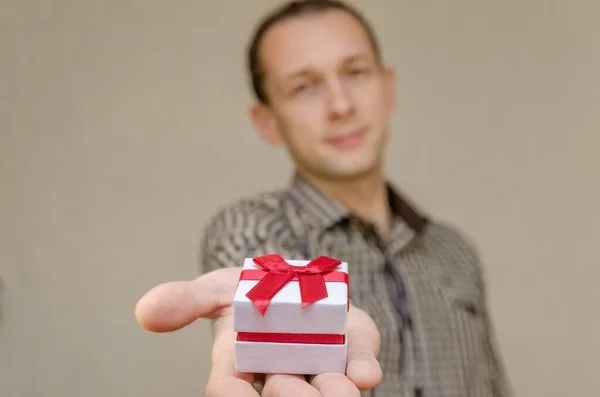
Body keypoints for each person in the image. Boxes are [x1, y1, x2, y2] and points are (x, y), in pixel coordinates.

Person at [135, 1, 513, 396]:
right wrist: (277, 327)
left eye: (355, 72)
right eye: (304, 86)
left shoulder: (454, 252)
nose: (341, 105)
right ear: (268, 121)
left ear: (387, 88)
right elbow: (259, 298)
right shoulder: (252, 229)